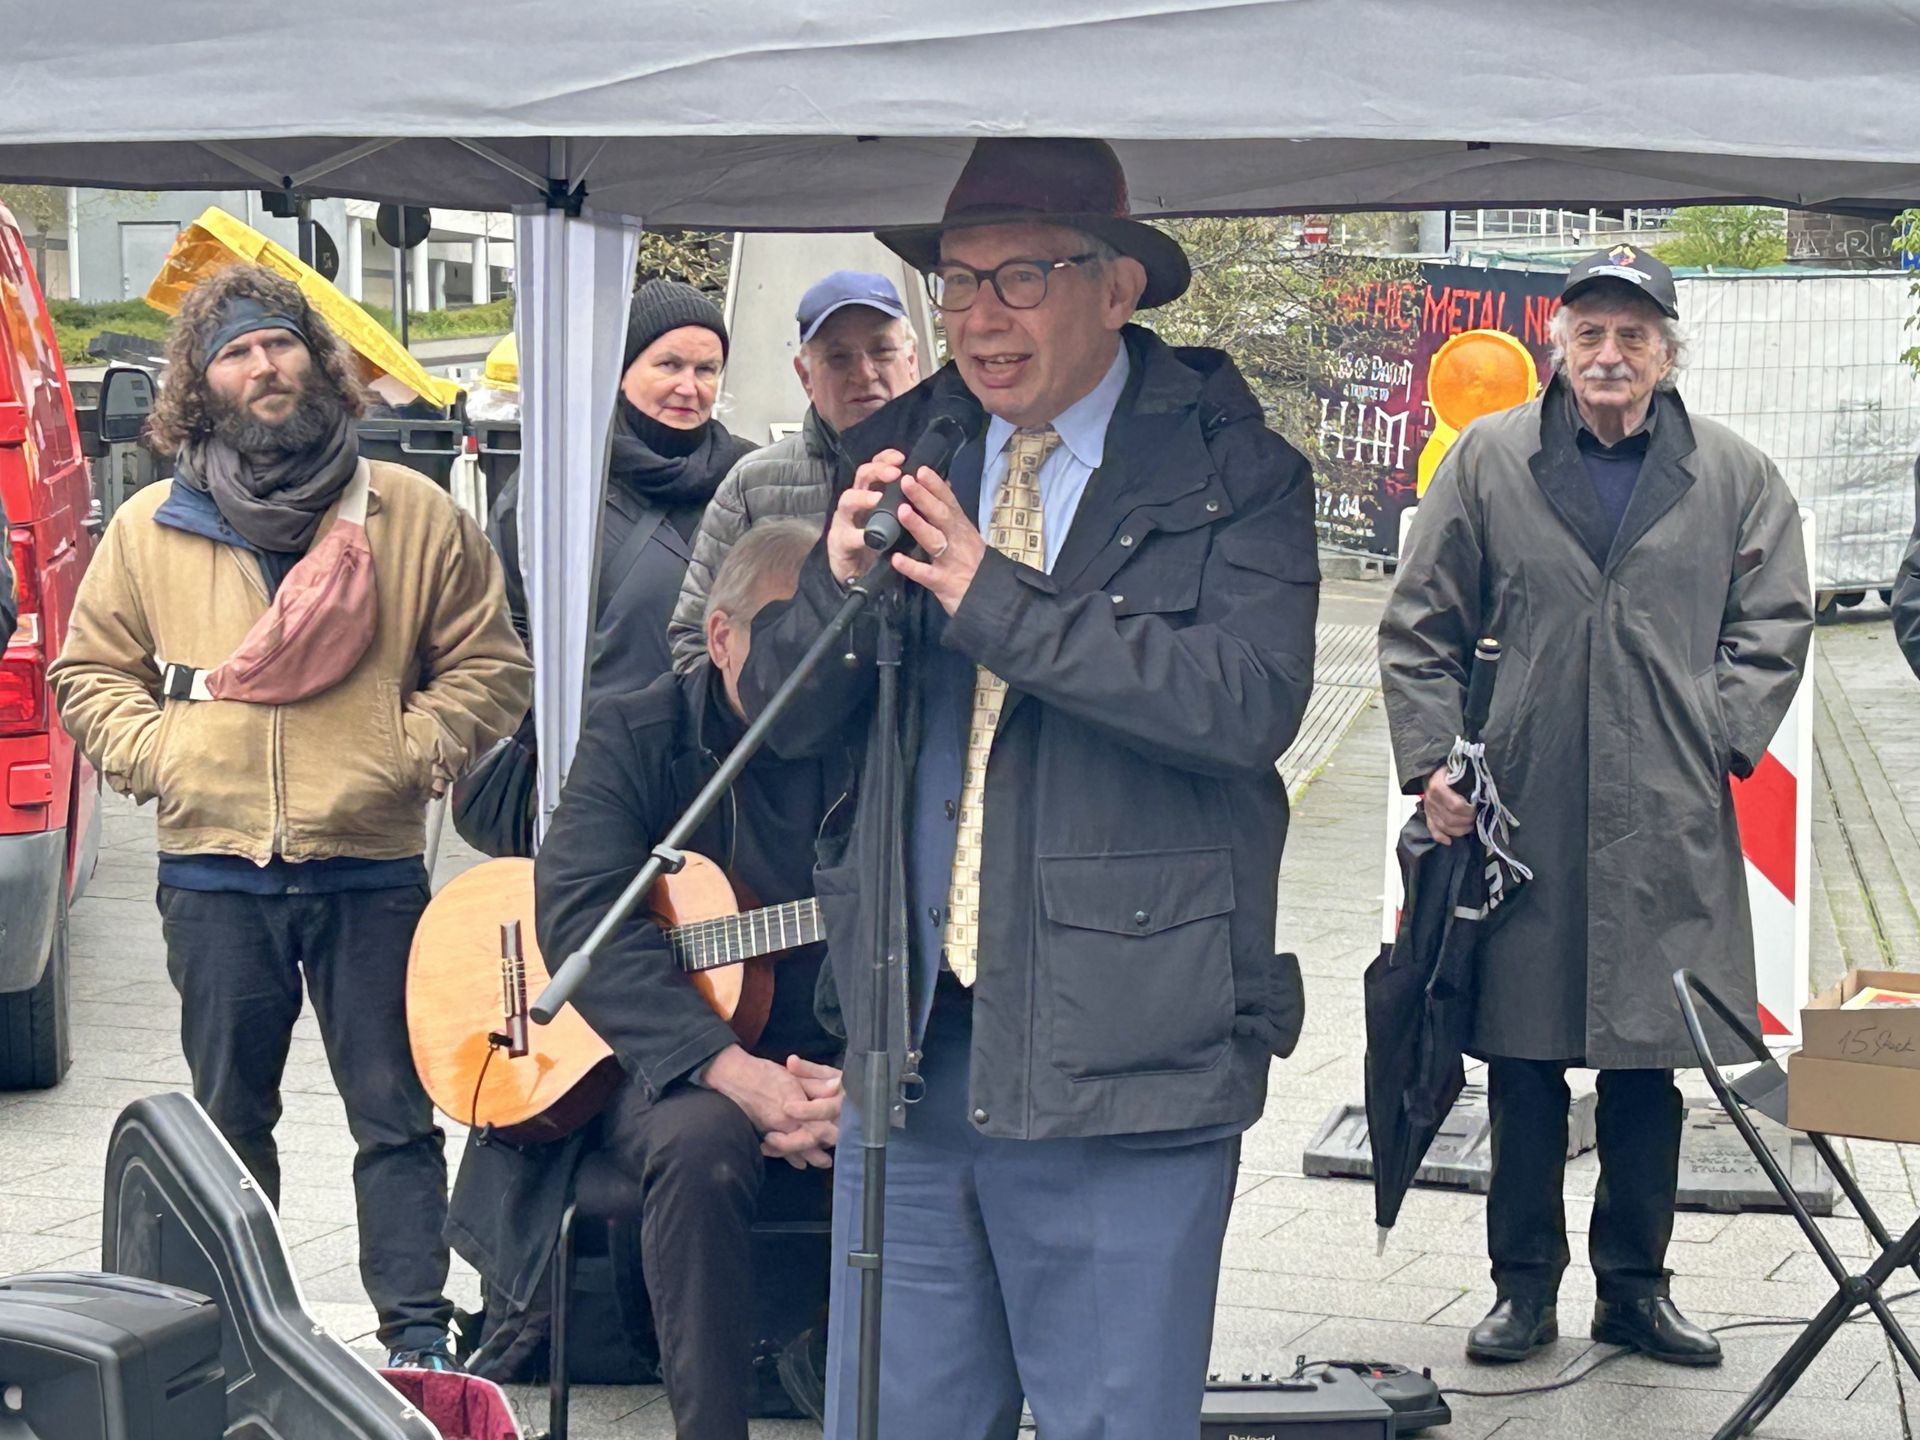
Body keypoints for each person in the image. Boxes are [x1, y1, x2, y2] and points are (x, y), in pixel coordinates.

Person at [739, 137, 1318, 1440]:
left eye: (1021, 278)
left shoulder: (1237, 473)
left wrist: (994, 598)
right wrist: (834, 592)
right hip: (913, 1049)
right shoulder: (904, 449)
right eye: (957, 281)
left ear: (1117, 287)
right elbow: (780, 721)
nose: (980, 317)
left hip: (1122, 1052)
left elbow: (1244, 704)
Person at [50, 263, 532, 1370]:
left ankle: (416, 1336)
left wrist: (403, 753)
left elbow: (492, 665)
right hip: (213, 867)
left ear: (319, 361)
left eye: (281, 344)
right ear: (201, 384)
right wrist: (166, 755)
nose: (264, 367)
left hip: (370, 864)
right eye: (236, 353)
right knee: (227, 1125)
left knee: (395, 1115)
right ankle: (236, 1338)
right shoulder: (151, 527)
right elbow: (90, 675)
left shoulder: (411, 514)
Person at [1380, 246, 1813, 1369]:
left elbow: (1775, 622)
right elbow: (1419, 622)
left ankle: (1636, 1290)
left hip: (1665, 807)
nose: (1610, 354)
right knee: (1521, 1060)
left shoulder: (1733, 473)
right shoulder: (1489, 459)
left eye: (1633, 336)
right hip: (1521, 808)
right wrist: (1431, 762)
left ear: (1668, 354)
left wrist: (1715, 731)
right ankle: (1522, 1290)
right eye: (1590, 334)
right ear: (1559, 346)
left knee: (1647, 1065)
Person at [448, 519, 842, 1436]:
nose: (809, 673)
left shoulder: (871, 734)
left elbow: (904, 924)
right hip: (655, 1057)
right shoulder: (637, 728)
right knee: (702, 1143)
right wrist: (727, 1068)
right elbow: (581, 912)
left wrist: (852, 1077)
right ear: (721, 636)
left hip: (825, 1046)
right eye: (782, 644)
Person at [490, 278, 755, 700]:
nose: (688, 387)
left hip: (724, 737)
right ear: (619, 371)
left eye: (706, 370)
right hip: (594, 737)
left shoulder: (749, 479)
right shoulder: (560, 484)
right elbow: (505, 627)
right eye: (669, 365)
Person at [667, 270, 921, 670]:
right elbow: (694, 644)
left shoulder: (964, 469)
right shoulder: (752, 487)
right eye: (839, 357)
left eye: (882, 351)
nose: (865, 373)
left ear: (912, 361)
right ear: (805, 377)